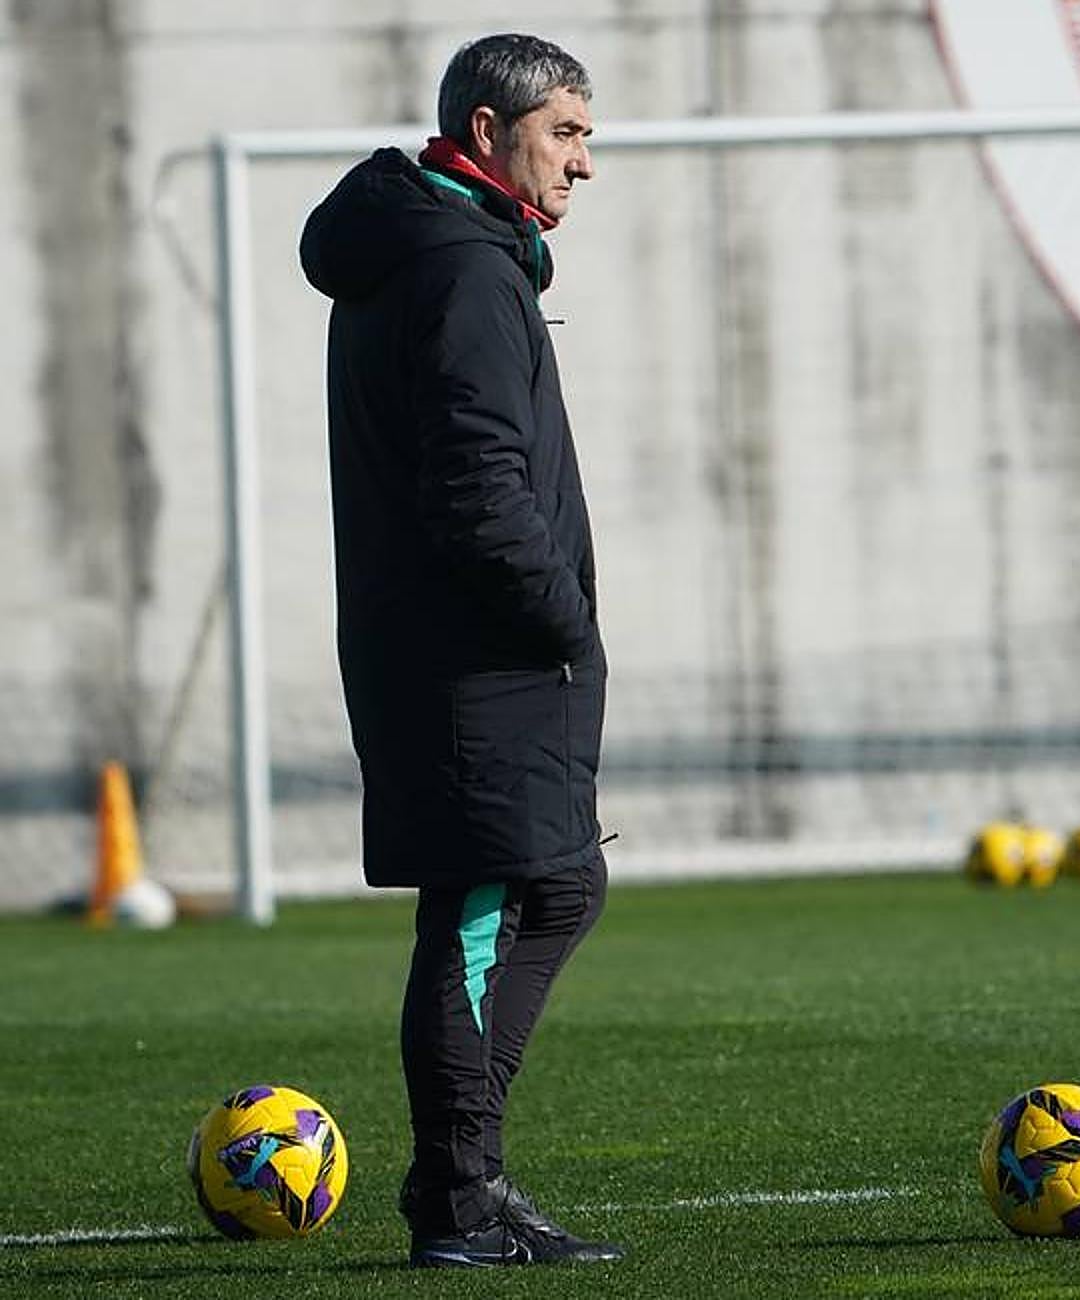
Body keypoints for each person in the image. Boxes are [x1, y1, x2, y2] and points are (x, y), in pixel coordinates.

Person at [299, 33, 622, 1269]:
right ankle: (460, 1200)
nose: (584, 165)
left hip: (463, 649)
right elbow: (481, 486)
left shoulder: (439, 249)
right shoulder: (461, 268)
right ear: (489, 135)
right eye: (566, 135)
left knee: (554, 886)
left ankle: (464, 1185)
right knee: (489, 905)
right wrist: (561, 619)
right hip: (473, 655)